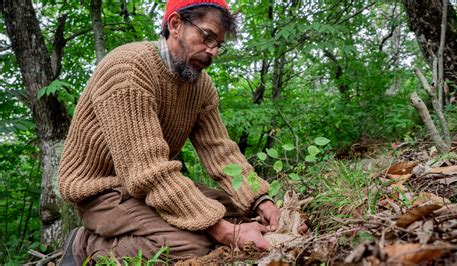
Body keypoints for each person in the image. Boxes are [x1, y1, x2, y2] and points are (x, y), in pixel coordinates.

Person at [57, 0, 286, 264]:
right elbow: (147, 169)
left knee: (239, 213)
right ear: (175, 24)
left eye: (218, 44)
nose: (212, 51)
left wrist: (262, 202)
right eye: (207, 37)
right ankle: (84, 245)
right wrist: (226, 232)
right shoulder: (128, 69)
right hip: (103, 192)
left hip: (144, 186)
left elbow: (220, 151)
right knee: (193, 242)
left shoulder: (201, 86)